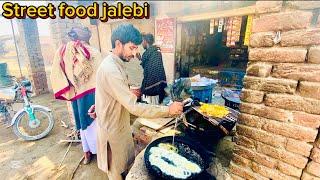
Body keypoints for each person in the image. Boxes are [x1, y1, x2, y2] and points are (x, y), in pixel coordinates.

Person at [94, 24, 183, 180]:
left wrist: (124, 94)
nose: (135, 53)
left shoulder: (115, 63)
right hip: (113, 135)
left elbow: (107, 93)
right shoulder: (111, 69)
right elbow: (134, 107)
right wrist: (168, 110)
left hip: (120, 127)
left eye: (136, 49)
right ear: (118, 44)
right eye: (132, 48)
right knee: (117, 173)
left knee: (126, 168)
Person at [50, 26, 102, 164]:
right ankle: (100, 152)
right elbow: (102, 77)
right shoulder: (94, 52)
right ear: (87, 37)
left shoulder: (63, 51)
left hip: (76, 94)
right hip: (95, 93)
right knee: (96, 123)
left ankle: (87, 153)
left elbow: (57, 73)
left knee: (82, 124)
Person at [139, 33, 167, 105]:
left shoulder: (147, 54)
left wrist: (140, 59)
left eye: (142, 41)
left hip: (151, 87)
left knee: (151, 108)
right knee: (157, 107)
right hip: (160, 85)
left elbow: (146, 67)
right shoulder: (157, 52)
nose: (142, 44)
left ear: (145, 41)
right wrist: (140, 59)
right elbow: (148, 66)